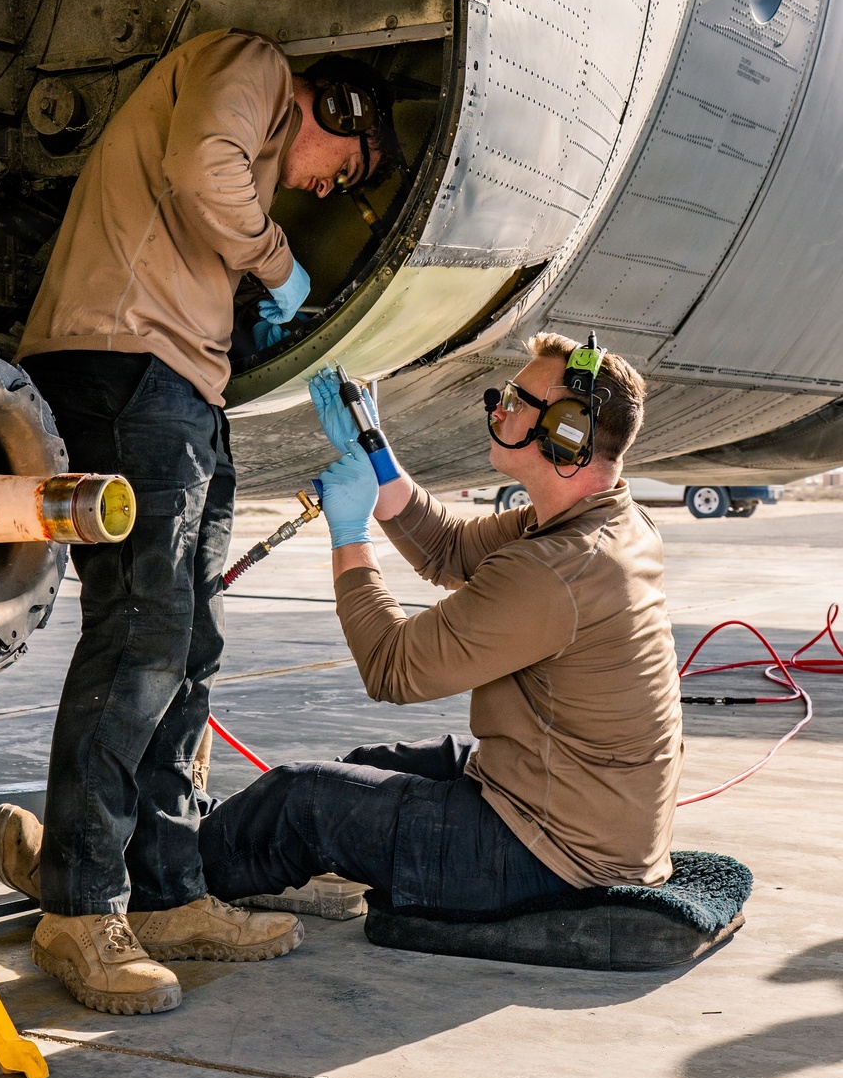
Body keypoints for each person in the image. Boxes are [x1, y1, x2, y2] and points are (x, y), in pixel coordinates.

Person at [0, 29, 399, 1015]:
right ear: (330, 111)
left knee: (188, 645)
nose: (323, 193)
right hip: (127, 362)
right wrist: (272, 259)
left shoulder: (257, 129)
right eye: (343, 171)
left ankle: (167, 891)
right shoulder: (251, 65)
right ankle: (80, 912)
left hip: (178, 385)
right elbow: (198, 166)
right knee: (143, 639)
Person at [194, 334, 684, 917]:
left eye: (516, 399)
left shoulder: (558, 569)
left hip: (550, 858)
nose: (497, 407)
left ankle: (162, 884)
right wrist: (377, 456)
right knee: (363, 766)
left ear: (567, 431)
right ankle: (229, 858)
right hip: (577, 810)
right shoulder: (599, 523)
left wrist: (349, 535)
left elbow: (392, 669)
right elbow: (448, 548)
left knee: (301, 800)